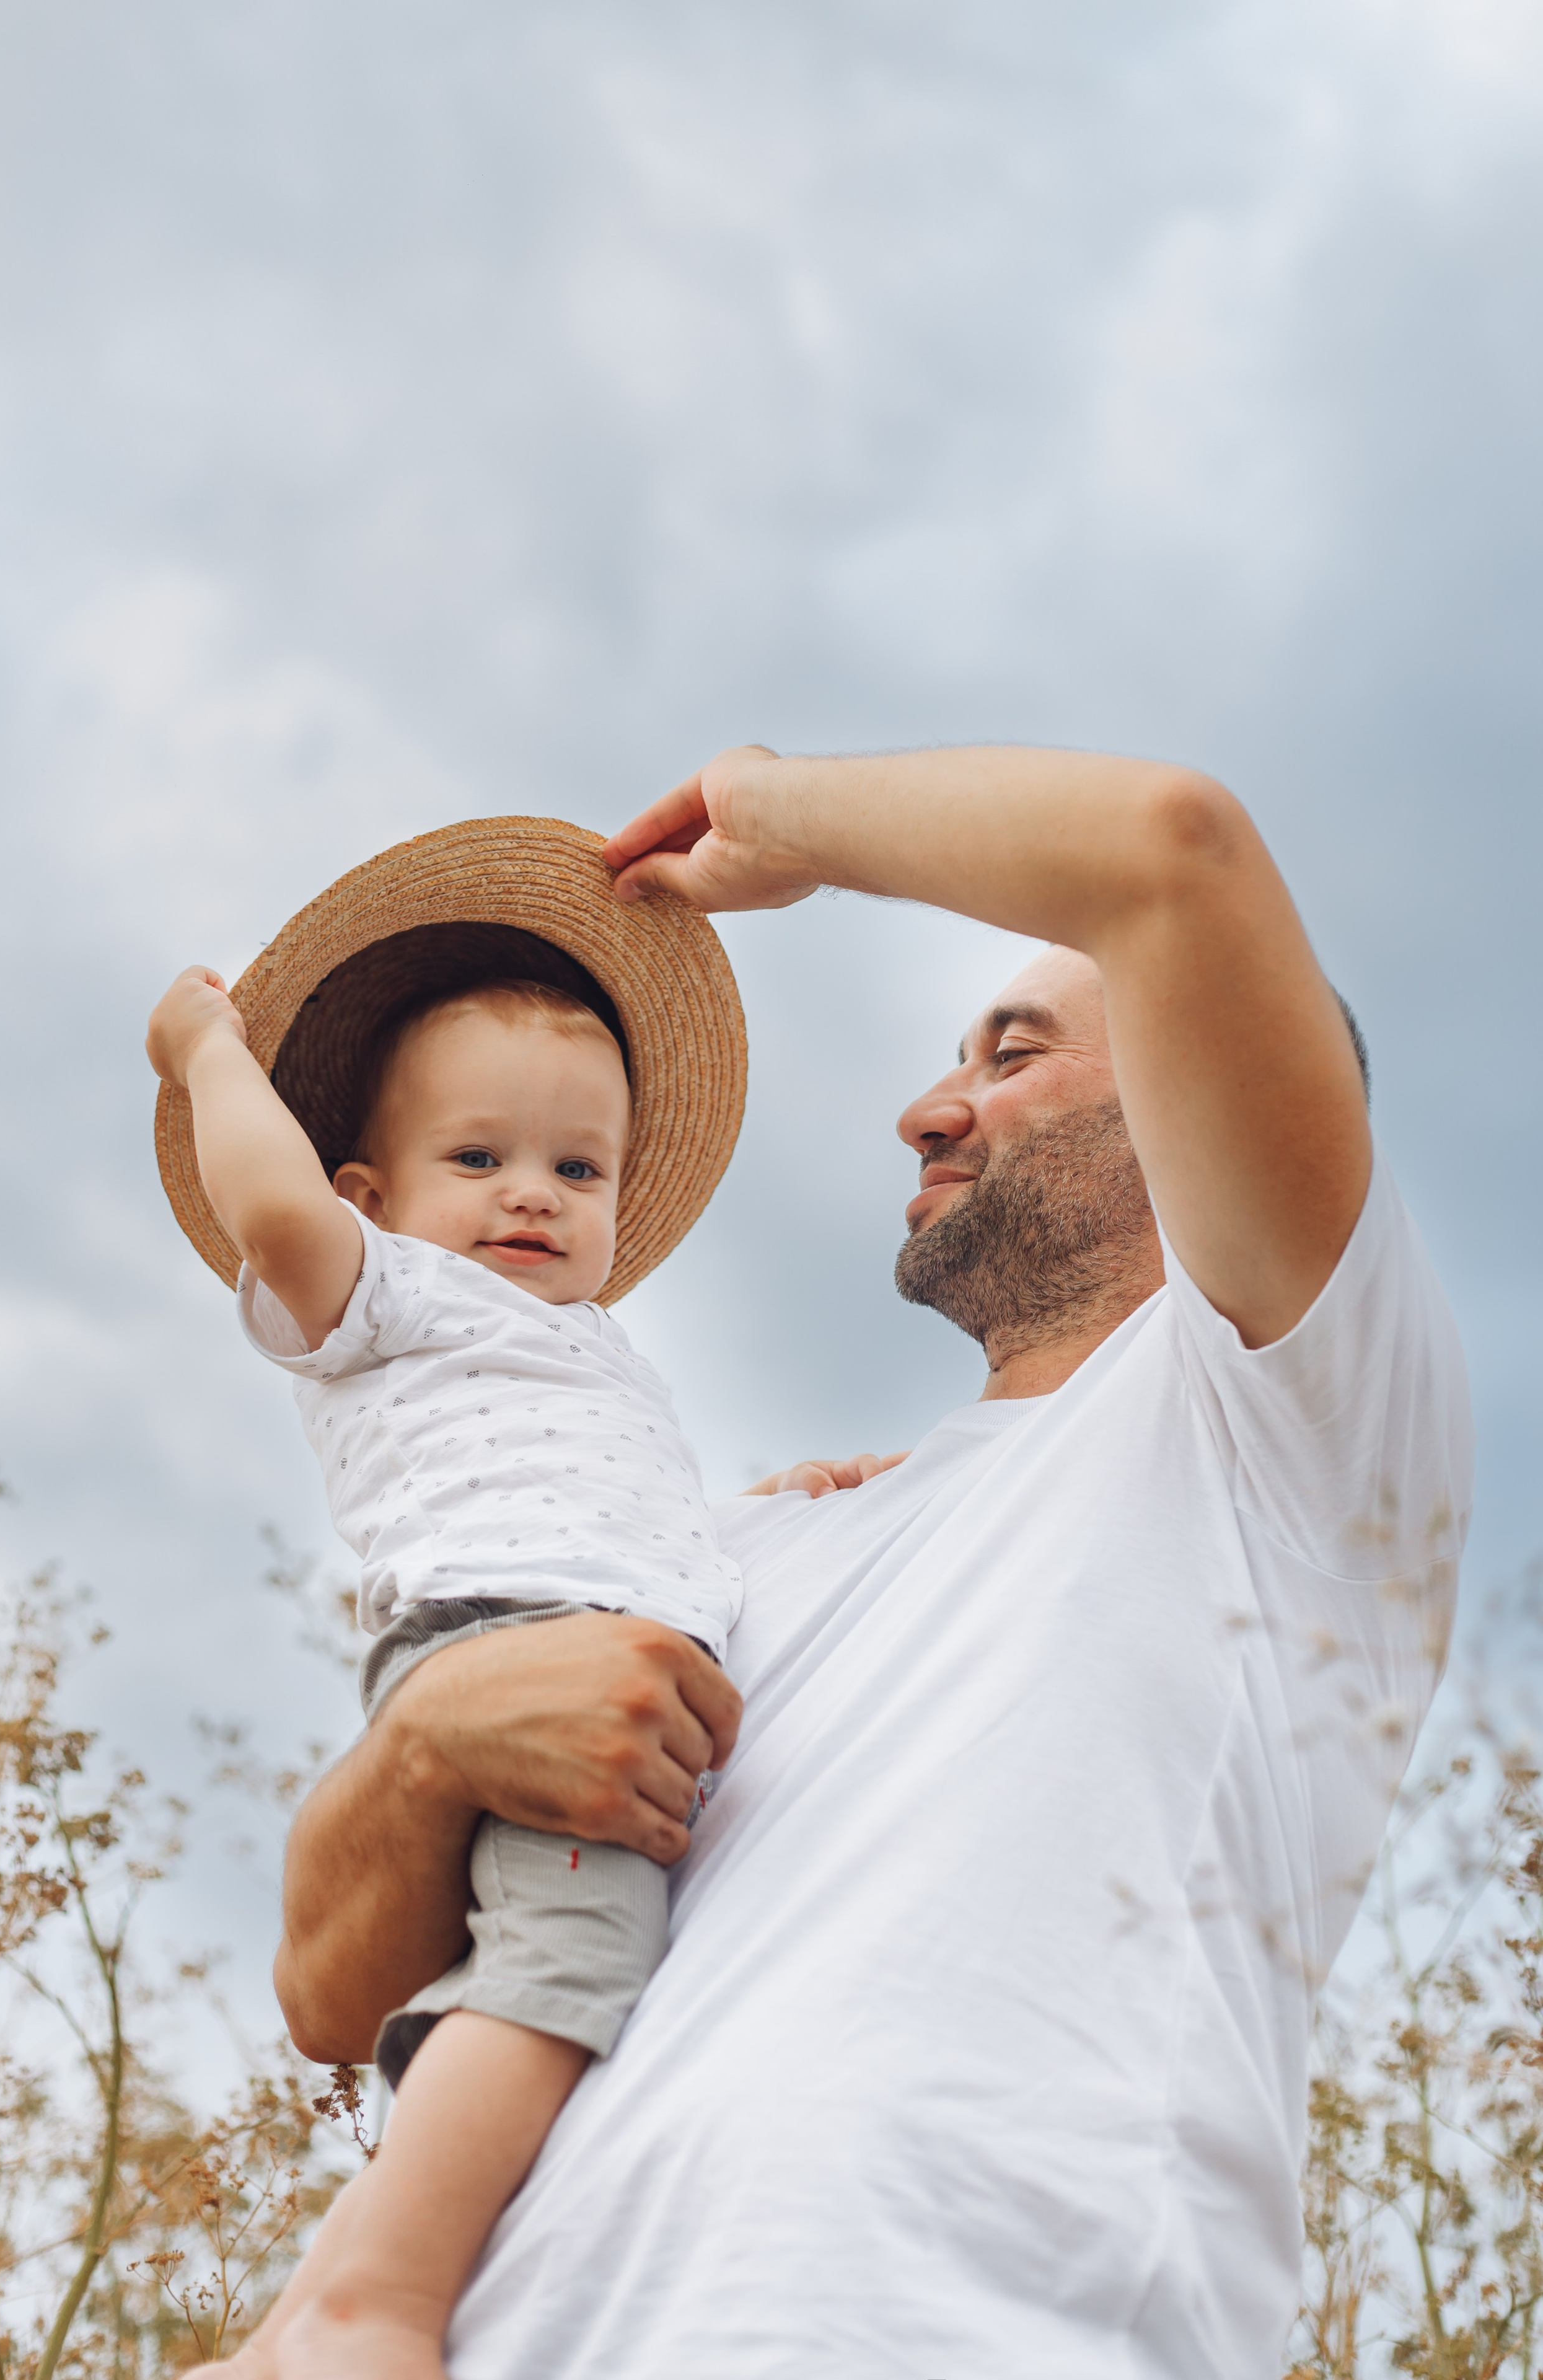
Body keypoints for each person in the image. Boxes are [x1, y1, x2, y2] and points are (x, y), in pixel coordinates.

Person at [272, 743, 1471, 2378]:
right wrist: (427, 1741)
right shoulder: (731, 1548)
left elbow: (1173, 852)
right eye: (948, 1055)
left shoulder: (1288, 1432)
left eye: (1015, 1053)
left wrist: (789, 817)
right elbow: (335, 2000)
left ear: (1199, 1088)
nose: (929, 1105)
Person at [146, 956, 769, 2379]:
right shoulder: (392, 1293)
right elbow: (273, 1206)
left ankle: (288, 2336)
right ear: (370, 1198)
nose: (532, 1191)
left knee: (545, 1963)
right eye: (477, 1155)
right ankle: (377, 2298)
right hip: (509, 1657)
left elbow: (639, 1512)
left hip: (571, 1644)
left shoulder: (588, 1349)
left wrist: (793, 1496)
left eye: (576, 1164)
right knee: (571, 1957)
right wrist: (202, 1057)